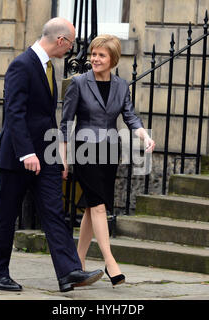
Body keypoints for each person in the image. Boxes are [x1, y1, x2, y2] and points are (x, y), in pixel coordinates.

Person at [0, 17, 103, 293]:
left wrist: (57, 153)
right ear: (60, 40)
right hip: (19, 157)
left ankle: (68, 272)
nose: (72, 49)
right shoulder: (22, 65)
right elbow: (14, 114)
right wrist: (26, 152)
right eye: (72, 43)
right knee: (7, 214)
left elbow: (46, 118)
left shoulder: (50, 66)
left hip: (46, 155)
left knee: (54, 212)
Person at [60, 34, 155, 286]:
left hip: (110, 150)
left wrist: (144, 136)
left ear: (112, 59)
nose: (95, 58)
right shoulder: (78, 83)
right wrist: (63, 157)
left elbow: (130, 116)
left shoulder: (121, 86)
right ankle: (110, 261)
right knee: (99, 205)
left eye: (101, 55)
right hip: (85, 150)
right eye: (93, 54)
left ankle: (77, 262)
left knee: (94, 205)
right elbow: (66, 122)